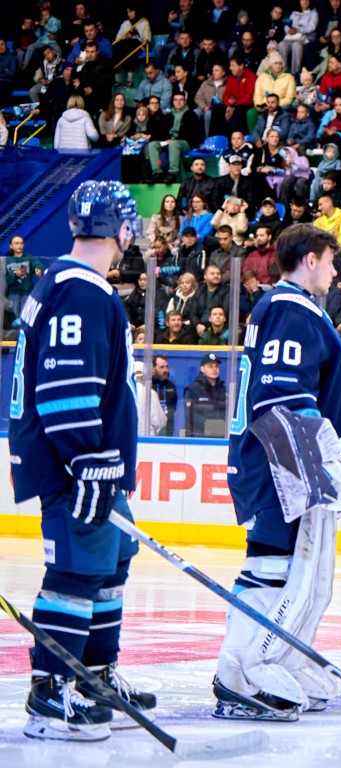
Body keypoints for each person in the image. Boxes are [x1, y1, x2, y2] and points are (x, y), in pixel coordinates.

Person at [10, 181, 156, 741]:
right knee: (75, 572)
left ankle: (94, 677)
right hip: (79, 467)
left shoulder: (70, 283)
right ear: (120, 227)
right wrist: (89, 459)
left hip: (94, 466)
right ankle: (52, 690)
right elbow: (65, 386)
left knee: (110, 564)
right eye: (130, 222)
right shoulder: (81, 290)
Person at [215, 224, 341, 721]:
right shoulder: (292, 309)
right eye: (330, 260)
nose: (335, 270)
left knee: (305, 573)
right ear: (309, 259)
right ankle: (239, 671)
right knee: (274, 569)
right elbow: (282, 395)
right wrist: (320, 459)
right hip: (277, 464)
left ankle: (280, 655)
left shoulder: (289, 309)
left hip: (282, 462)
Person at [183, 352, 227, 437]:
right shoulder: (193, 390)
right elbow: (190, 416)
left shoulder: (223, 389)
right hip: (199, 437)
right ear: (202, 369)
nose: (214, 369)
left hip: (221, 436)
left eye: (216, 366)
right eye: (210, 366)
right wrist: (211, 425)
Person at [152, 355, 178, 436]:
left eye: (167, 367)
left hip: (168, 430)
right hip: (151, 431)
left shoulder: (171, 386)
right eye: (162, 367)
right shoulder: (147, 386)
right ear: (153, 369)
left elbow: (173, 408)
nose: (166, 370)